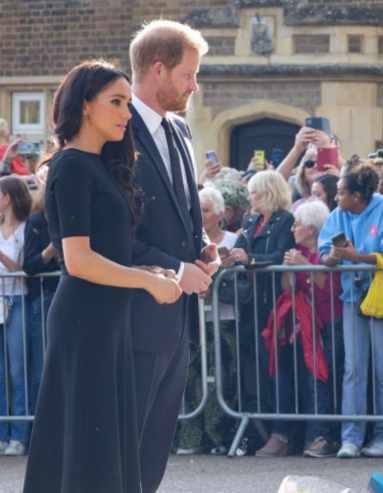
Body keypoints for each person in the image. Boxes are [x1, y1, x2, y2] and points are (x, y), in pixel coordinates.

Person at [22, 60, 182, 493]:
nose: (126, 113)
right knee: (85, 443)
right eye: (116, 102)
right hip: (84, 320)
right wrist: (147, 282)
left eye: (128, 102)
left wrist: (145, 270)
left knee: (104, 442)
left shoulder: (101, 165)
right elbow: (79, 261)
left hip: (109, 319)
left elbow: (106, 253)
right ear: (85, 106)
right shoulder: (71, 166)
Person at [128, 20, 220, 493]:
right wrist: (178, 269)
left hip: (178, 317)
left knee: (157, 439)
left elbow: (183, 210)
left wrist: (203, 247)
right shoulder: (115, 131)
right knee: (129, 439)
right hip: (134, 313)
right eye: (188, 75)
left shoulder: (181, 129)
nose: (194, 85)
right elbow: (115, 234)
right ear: (158, 70)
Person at [319, 158, 383, 459]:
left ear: (357, 195)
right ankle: (350, 439)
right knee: (353, 369)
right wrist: (332, 258)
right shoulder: (337, 215)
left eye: (341, 192)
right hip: (350, 298)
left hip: (380, 301)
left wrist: (357, 255)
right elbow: (323, 254)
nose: (336, 196)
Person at [258, 200, 343, 457]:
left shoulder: (326, 252)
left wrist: (303, 268)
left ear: (312, 228)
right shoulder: (297, 252)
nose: (292, 229)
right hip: (306, 325)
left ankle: (327, 437)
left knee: (327, 379)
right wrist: (289, 268)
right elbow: (288, 288)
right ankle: (314, 436)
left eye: (297, 224)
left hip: (330, 322)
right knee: (311, 380)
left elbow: (330, 289)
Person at [220, 170, 295, 453]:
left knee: (278, 368)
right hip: (254, 306)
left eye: (254, 192)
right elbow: (237, 252)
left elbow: (280, 256)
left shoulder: (285, 220)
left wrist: (249, 258)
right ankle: (266, 430)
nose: (249, 197)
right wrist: (227, 258)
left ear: (268, 193)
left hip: (275, 304)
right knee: (261, 370)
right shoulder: (252, 221)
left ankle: (281, 433)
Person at [175, 186, 239, 455]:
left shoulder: (234, 240)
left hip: (224, 320)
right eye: (197, 210)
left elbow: (239, 283)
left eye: (206, 210)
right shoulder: (187, 239)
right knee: (190, 377)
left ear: (221, 214)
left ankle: (218, 436)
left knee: (222, 377)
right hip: (194, 319)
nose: (200, 215)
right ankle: (191, 436)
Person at [0, 176, 32, 456]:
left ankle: (19, 435)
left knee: (17, 372)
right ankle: (3, 434)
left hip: (18, 300)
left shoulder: (25, 228)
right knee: (0, 373)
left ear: (7, 198)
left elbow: (18, 267)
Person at [22, 184, 59, 415]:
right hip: (43, 299)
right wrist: (50, 251)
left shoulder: (66, 220)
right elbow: (29, 265)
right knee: (42, 366)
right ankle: (39, 425)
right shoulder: (36, 221)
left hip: (64, 296)